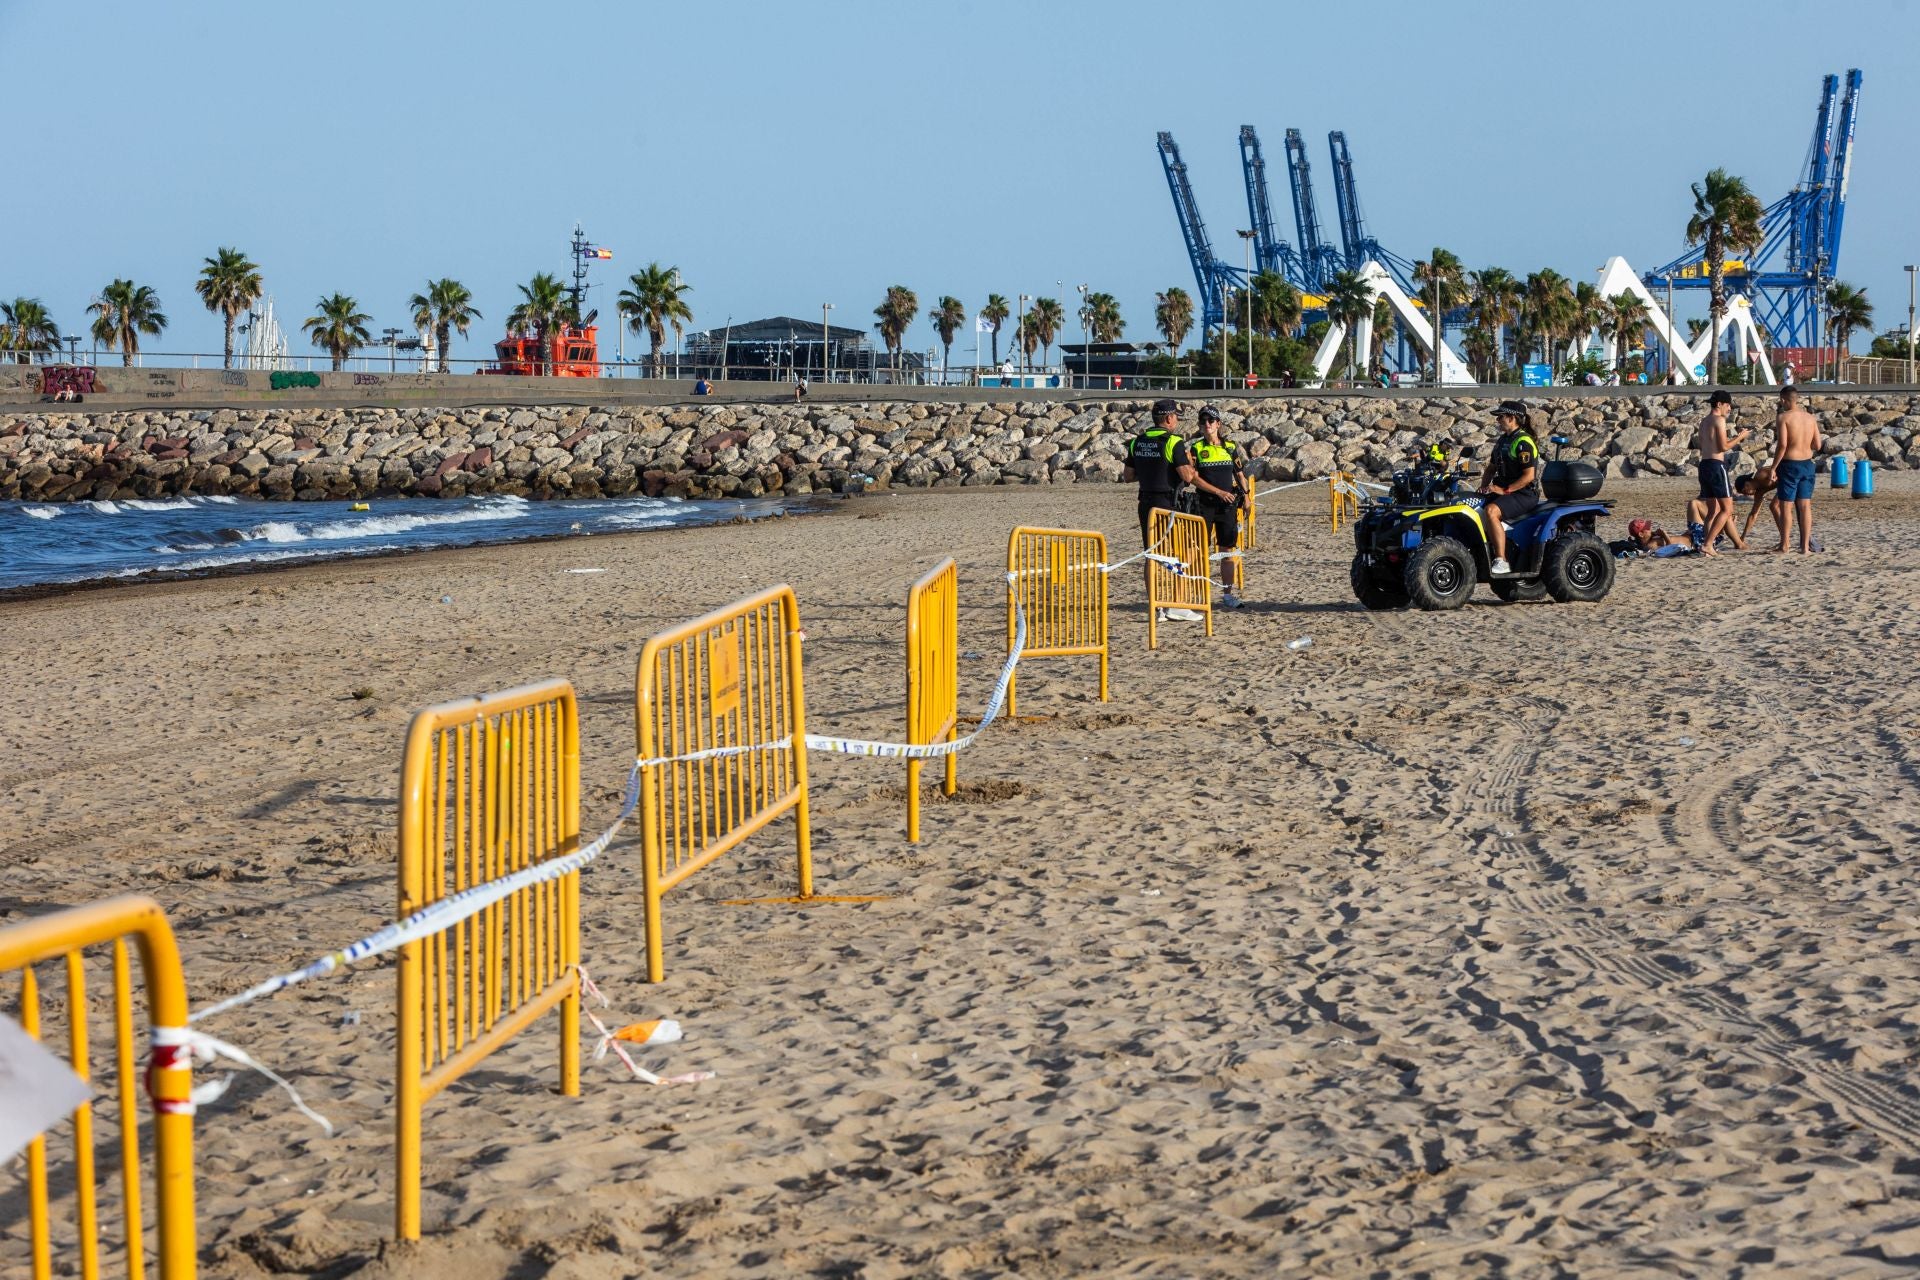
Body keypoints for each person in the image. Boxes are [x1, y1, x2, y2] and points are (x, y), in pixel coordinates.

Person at [1123, 399, 1204, 621]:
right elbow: (1187, 476)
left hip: (1146, 504)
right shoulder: (1173, 442)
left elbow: (1128, 476)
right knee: (1182, 551)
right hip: (1168, 504)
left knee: (1151, 555)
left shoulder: (1137, 442)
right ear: (1169, 418)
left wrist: (1151, 470)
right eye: (1176, 417)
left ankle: (1155, 608)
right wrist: (1189, 463)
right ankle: (1177, 605)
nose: (1177, 421)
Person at [1189, 406, 1249, 608]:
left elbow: (1240, 475)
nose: (1207, 425)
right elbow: (1193, 478)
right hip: (1204, 505)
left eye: (1211, 421)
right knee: (1198, 551)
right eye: (1203, 421)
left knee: (1227, 551)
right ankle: (1198, 594)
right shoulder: (1196, 449)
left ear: (1218, 424)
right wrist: (1218, 492)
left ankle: (1228, 595)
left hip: (1228, 507)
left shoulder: (1230, 447)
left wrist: (1247, 498)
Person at [1477, 400, 1541, 576]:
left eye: (1500, 417)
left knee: (1491, 511)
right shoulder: (1503, 440)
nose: (1497, 420)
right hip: (1504, 490)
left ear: (1512, 418)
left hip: (1523, 493)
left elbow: (1529, 476)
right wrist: (1483, 488)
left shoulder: (1523, 442)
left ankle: (1501, 560)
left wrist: (1505, 490)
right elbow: (1491, 469)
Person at [1694, 390, 1751, 556]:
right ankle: (1708, 544)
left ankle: (1705, 544)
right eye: (1728, 405)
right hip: (1716, 466)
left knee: (1712, 511)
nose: (1730, 408)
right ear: (1719, 404)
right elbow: (1723, 447)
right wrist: (1741, 437)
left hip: (1704, 465)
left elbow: (1704, 445)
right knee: (1727, 510)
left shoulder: (1704, 421)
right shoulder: (1719, 420)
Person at [1769, 385, 1823, 553]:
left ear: (1784, 400)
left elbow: (1783, 445)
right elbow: (1818, 445)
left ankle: (1785, 544)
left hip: (1790, 464)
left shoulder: (1783, 417)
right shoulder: (1810, 418)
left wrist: (1773, 467)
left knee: (1786, 506)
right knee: (1805, 506)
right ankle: (1805, 547)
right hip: (1807, 464)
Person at [1734, 464, 1779, 546]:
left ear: (1747, 484)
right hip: (1784, 485)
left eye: (1744, 492)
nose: (1746, 495)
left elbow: (1778, 469)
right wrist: (1742, 537)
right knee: (1774, 506)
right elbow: (1753, 514)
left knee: (1774, 506)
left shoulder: (1760, 474)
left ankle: (1784, 540)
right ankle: (1784, 538)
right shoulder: (1758, 493)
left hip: (1789, 477)